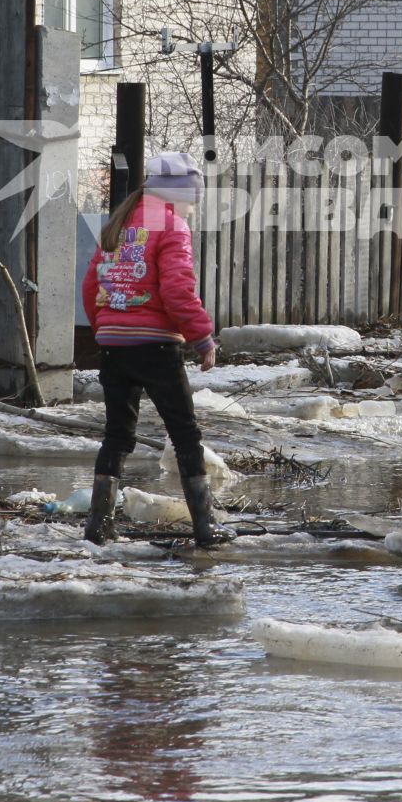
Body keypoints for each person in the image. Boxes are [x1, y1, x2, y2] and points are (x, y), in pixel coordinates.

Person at [81, 151, 231, 547]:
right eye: (191, 201)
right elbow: (178, 292)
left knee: (116, 435)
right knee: (185, 434)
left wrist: (107, 329)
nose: (193, 210)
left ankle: (98, 524)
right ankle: (204, 526)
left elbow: (90, 287)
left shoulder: (119, 224)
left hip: (114, 346)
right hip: (155, 346)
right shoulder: (170, 226)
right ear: (175, 195)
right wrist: (202, 338)